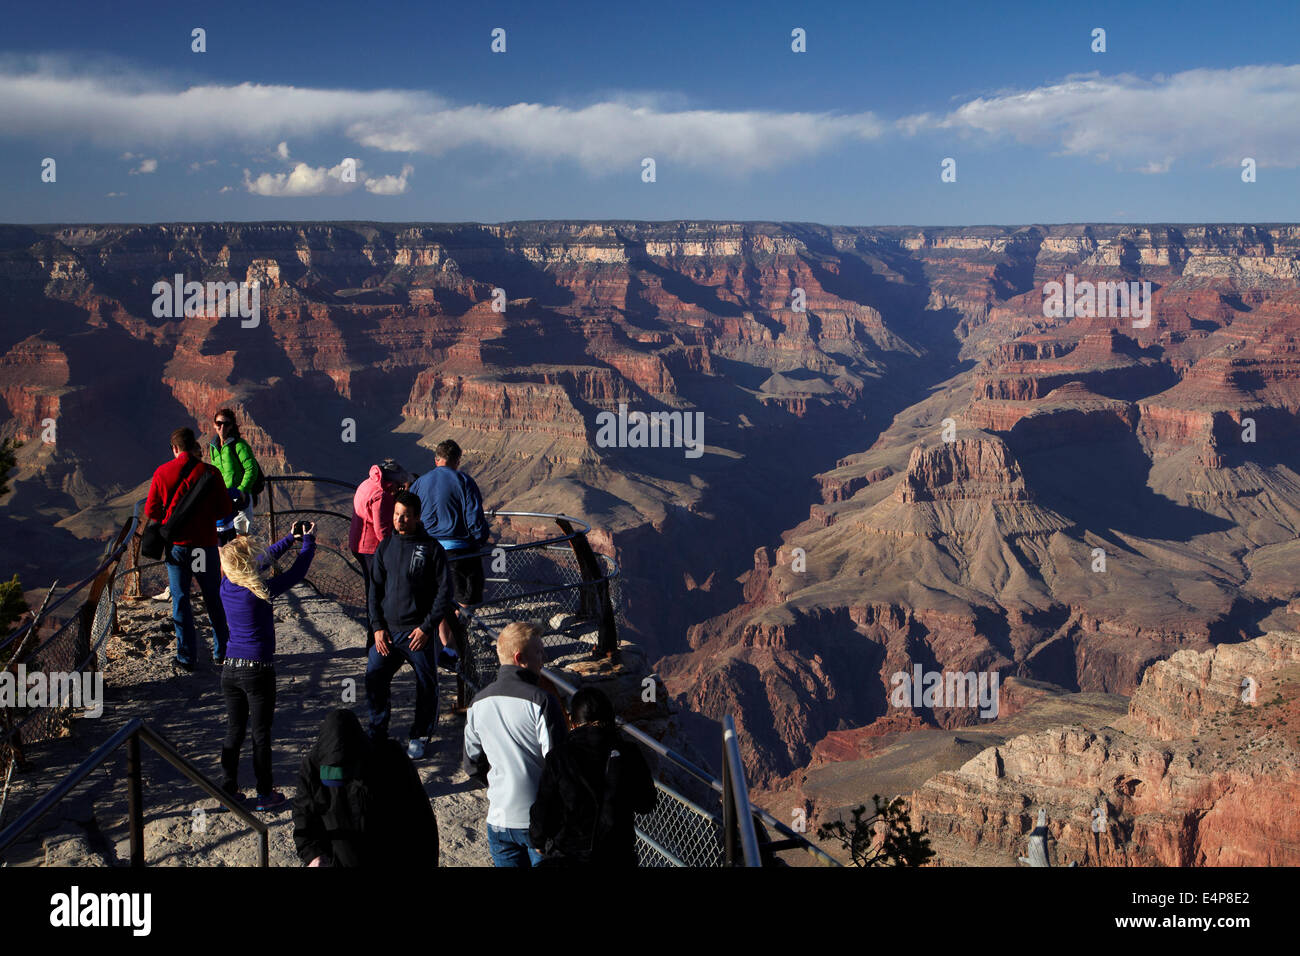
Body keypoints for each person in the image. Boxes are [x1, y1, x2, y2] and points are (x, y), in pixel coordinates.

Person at [216, 520, 316, 811]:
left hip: (230, 669)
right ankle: (264, 794)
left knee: (234, 731)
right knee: (260, 734)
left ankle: (228, 789)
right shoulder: (261, 591)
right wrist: (307, 541)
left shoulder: (226, 585)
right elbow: (298, 572)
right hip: (258, 669)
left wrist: (289, 538)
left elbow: (257, 560)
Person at [462, 622, 566, 867]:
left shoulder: (478, 702)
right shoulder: (542, 701)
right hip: (538, 824)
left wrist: (501, 783)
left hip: (498, 820)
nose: (544, 657)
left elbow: (471, 763)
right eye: (539, 652)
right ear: (520, 658)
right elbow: (558, 765)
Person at [366, 491, 453, 759]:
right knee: (374, 679)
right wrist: (377, 627)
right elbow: (374, 590)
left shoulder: (431, 549)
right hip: (388, 633)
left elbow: (445, 593)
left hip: (418, 634)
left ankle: (420, 735)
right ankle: (378, 731)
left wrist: (427, 628)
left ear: (416, 517)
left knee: (427, 685)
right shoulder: (385, 547)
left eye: (405, 515)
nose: (399, 520)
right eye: (395, 514)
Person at [292, 709, 439, 867]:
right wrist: (313, 855)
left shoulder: (391, 760)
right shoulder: (311, 769)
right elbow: (303, 820)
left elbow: (421, 822)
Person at [529, 687, 657, 866]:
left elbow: (544, 807)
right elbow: (646, 803)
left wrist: (538, 840)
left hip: (569, 856)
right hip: (618, 855)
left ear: (573, 723)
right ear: (610, 718)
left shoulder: (559, 757)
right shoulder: (629, 753)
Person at [144, 427, 233, 671]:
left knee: (181, 600)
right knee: (213, 598)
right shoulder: (211, 472)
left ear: (174, 448)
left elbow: (151, 511)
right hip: (203, 548)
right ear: (193, 445)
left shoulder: (162, 472)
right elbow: (225, 510)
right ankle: (222, 653)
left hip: (178, 549)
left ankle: (186, 657)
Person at [408, 440, 489, 658]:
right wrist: (480, 539)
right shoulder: (464, 481)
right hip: (459, 551)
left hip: (426, 552)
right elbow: (475, 519)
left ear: (436, 460)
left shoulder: (419, 484)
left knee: (440, 599)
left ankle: (447, 648)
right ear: (457, 461)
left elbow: (411, 517)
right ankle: (451, 647)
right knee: (467, 599)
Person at [348, 460, 408, 648]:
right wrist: (396, 551)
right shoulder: (380, 495)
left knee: (373, 590)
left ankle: (375, 637)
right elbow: (382, 530)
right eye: (398, 485)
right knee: (378, 594)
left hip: (357, 543)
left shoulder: (368, 483)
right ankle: (376, 640)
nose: (399, 488)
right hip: (370, 549)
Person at [209, 408, 262, 541]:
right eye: (219, 423)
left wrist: (242, 490)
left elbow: (251, 469)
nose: (222, 427)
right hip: (223, 499)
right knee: (224, 542)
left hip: (240, 499)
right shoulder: (213, 447)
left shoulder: (239, 445)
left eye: (226, 424)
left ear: (232, 426)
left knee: (241, 540)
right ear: (214, 425)